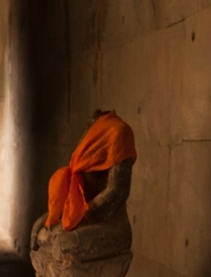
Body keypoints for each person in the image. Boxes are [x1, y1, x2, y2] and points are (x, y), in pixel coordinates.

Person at [30, 110, 137, 263]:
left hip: (108, 223)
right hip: (79, 213)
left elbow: (116, 192)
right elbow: (74, 193)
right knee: (38, 235)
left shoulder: (120, 134)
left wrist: (79, 218)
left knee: (62, 246)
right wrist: (53, 218)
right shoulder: (91, 135)